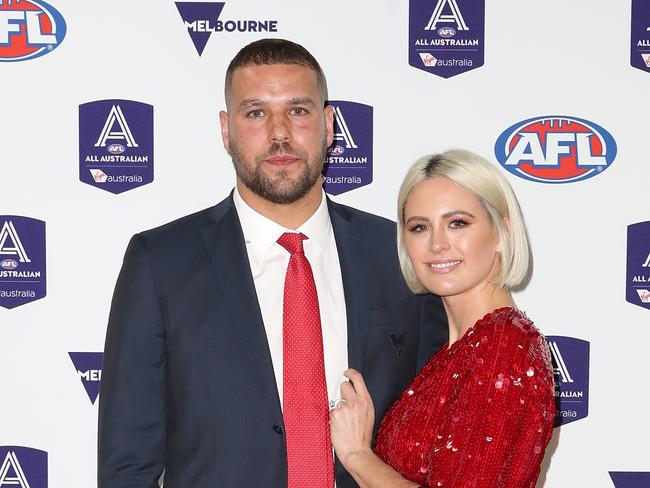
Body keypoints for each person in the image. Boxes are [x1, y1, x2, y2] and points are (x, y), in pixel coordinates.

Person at [97, 38, 447, 488]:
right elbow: (127, 465)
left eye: (298, 111)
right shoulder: (161, 263)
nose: (279, 133)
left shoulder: (398, 253)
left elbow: (436, 441)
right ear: (226, 129)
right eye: (256, 112)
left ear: (329, 124)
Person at [330, 150, 555, 488]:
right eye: (419, 227)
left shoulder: (503, 347)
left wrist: (358, 456)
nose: (437, 244)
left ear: (501, 233)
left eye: (458, 223)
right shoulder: (454, 351)